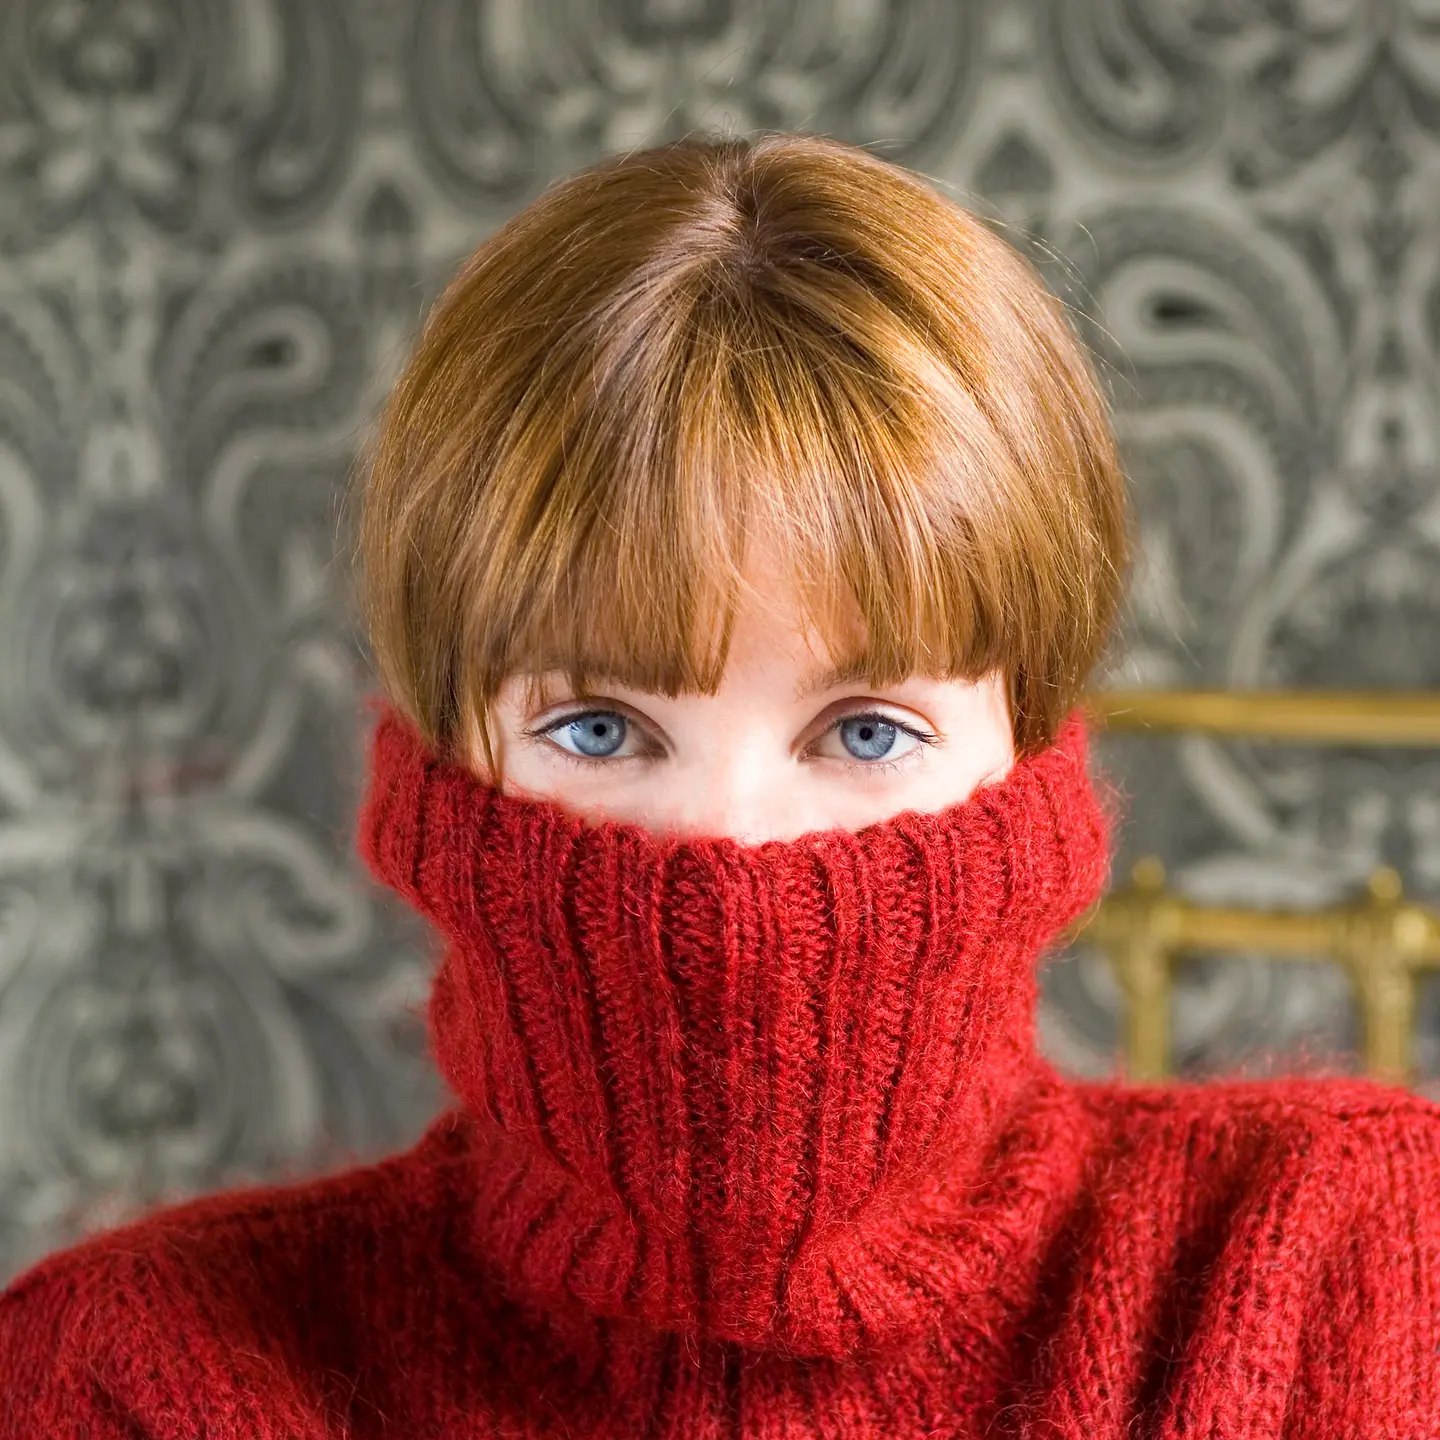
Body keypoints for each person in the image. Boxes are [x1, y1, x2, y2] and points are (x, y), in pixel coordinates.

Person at [2, 129, 1437, 1439]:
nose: (728, 850)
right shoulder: (136, 1373)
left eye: (866, 731)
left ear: (1031, 751)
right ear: (447, 760)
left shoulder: (1348, 1264)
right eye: (602, 731)